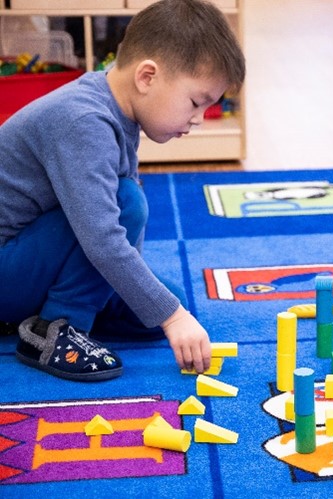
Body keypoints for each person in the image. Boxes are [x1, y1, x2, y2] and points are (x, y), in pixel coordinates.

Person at [0, 0, 245, 381]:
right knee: (126, 203)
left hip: (25, 260)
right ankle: (54, 330)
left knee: (157, 303)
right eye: (196, 102)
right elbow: (102, 236)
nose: (198, 119)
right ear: (147, 77)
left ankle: (51, 308)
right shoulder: (84, 122)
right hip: (7, 263)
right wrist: (172, 317)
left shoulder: (115, 105)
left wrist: (160, 308)